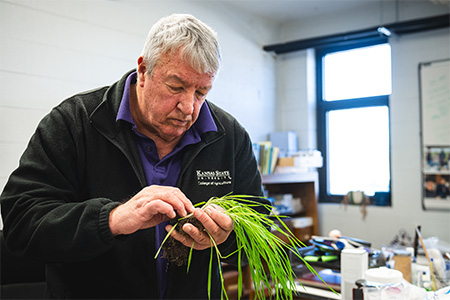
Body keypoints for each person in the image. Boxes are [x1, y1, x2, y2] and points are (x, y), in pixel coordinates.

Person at [0, 14, 267, 299]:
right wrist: (112, 219)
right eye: (176, 87)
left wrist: (227, 237)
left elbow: (261, 224)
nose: (188, 107)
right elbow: (21, 221)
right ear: (143, 70)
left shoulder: (229, 136)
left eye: (201, 92)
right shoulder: (73, 123)